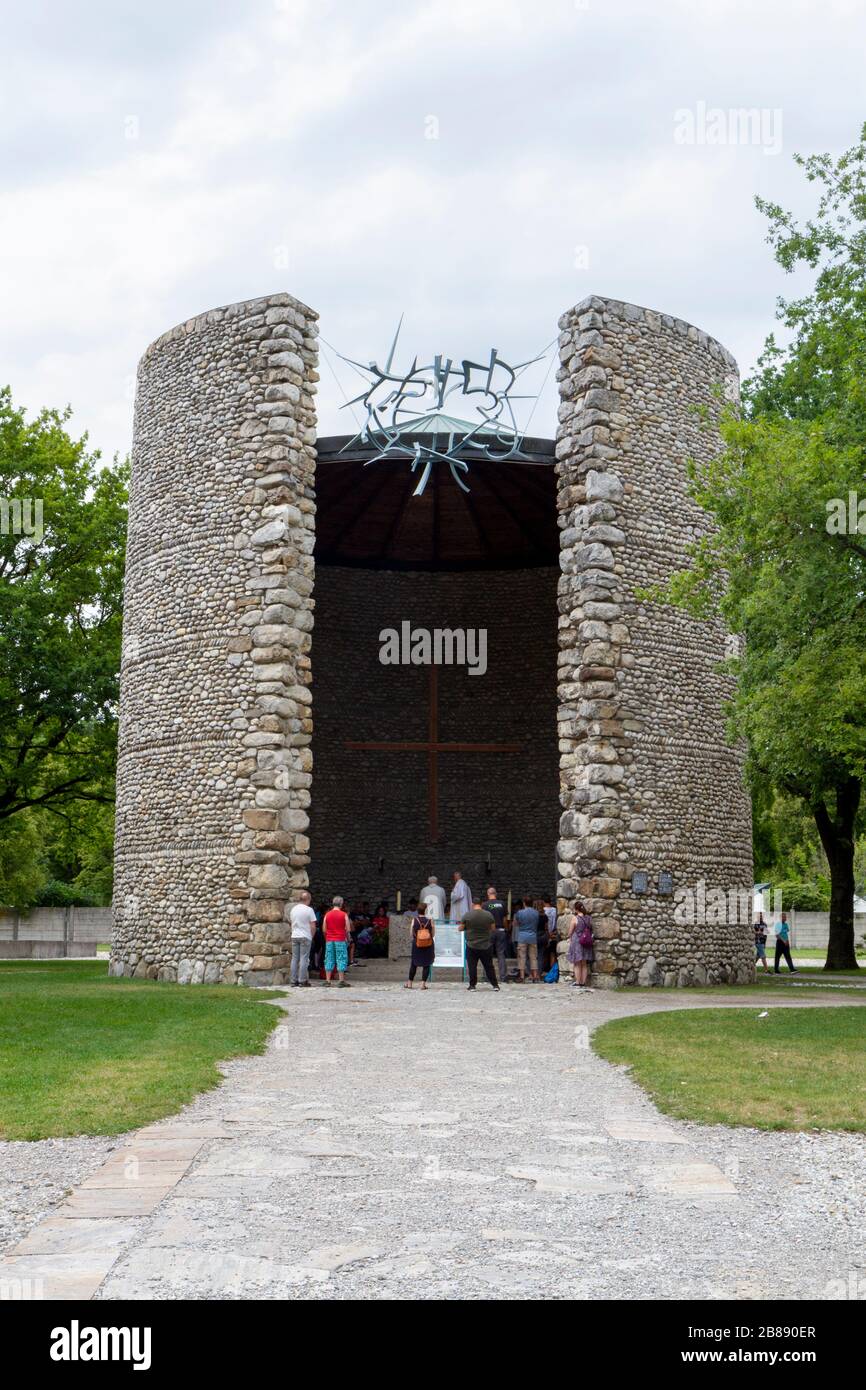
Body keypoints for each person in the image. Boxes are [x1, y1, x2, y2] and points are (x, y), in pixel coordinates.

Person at [459, 897, 500, 991]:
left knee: (472, 966)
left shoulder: (467, 915)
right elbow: (493, 928)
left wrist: (467, 927)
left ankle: (472, 985)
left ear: (472, 904)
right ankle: (495, 985)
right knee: (489, 966)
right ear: (481, 904)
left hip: (471, 945)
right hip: (486, 945)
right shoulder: (488, 914)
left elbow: (460, 928)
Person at [289, 890, 317, 987]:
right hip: (305, 936)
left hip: (295, 935)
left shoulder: (293, 909)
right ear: (308, 899)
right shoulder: (309, 910)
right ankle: (302, 980)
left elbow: (291, 923)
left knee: (295, 958)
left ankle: (293, 980)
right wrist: (312, 936)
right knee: (304, 959)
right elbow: (313, 926)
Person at [323, 895, 351, 987]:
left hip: (329, 940)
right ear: (341, 904)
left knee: (329, 958)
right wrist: (349, 938)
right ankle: (341, 980)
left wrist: (327, 937)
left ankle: (327, 981)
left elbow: (324, 929)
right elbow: (348, 929)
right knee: (341, 958)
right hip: (340, 939)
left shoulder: (327, 914)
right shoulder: (344, 915)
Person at [405, 906, 436, 989]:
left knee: (414, 963)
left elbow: (411, 934)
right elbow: (433, 934)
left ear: (417, 911)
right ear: (425, 910)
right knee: (427, 964)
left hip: (417, 944)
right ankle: (423, 984)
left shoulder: (414, 920)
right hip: (428, 944)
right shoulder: (430, 921)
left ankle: (410, 983)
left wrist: (417, 937)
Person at [485, 886, 510, 983]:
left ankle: (487, 977)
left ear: (488, 894)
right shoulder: (502, 904)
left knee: (487, 955)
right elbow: (504, 919)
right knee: (501, 954)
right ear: (496, 894)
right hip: (500, 930)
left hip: (489, 931)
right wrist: (506, 929)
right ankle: (503, 977)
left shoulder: (485, 905)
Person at [513, 896, 540, 982]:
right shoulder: (536, 913)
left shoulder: (519, 913)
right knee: (533, 957)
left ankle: (522, 976)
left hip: (522, 936)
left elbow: (515, 924)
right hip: (533, 936)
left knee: (522, 957)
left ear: (524, 903)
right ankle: (535, 976)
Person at [567, 900, 594, 988]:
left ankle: (578, 982)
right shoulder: (588, 918)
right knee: (584, 963)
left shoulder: (575, 918)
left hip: (577, 942)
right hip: (587, 942)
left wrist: (569, 937)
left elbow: (570, 932)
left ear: (576, 909)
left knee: (577, 963)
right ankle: (583, 982)